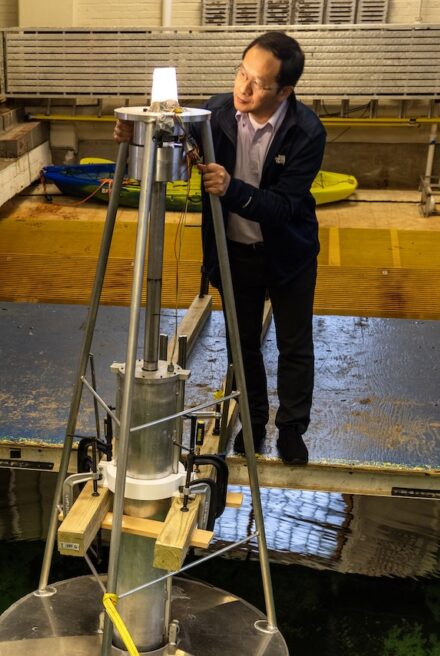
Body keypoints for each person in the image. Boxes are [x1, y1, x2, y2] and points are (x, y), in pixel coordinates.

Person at [118, 32, 325, 464]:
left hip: (289, 254)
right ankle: (251, 424)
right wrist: (132, 133)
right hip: (234, 252)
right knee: (242, 344)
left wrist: (233, 190)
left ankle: (291, 430)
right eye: (241, 73)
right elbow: (168, 131)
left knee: (294, 345)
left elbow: (286, 207)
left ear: (285, 91)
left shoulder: (306, 132)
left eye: (259, 84)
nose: (244, 89)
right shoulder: (214, 112)